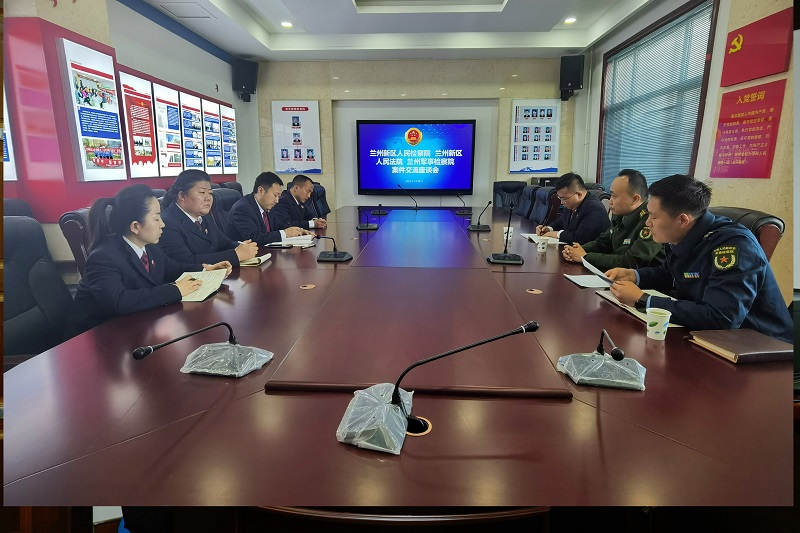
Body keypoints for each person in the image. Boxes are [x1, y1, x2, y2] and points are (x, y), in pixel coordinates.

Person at [606, 174, 792, 343]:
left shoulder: (734, 247)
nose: (647, 223)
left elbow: (721, 317)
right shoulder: (682, 234)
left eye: (653, 217)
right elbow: (671, 274)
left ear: (682, 220)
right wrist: (634, 275)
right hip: (710, 337)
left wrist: (643, 300)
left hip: (762, 347)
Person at [64, 184, 231, 339]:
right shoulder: (103, 257)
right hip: (95, 338)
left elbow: (173, 268)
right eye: (156, 219)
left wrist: (205, 269)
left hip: (133, 327)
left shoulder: (150, 247)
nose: (163, 224)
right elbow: (119, 302)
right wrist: (175, 290)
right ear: (135, 226)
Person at [562, 169, 665, 270]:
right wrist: (575, 250)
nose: (610, 201)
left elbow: (631, 261)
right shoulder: (621, 214)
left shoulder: (650, 221)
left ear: (635, 199)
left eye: (614, 196)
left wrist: (585, 257)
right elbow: (603, 242)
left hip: (642, 279)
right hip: (616, 273)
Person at [159, 169, 258, 265]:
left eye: (210, 193)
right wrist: (235, 255)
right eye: (202, 192)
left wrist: (242, 246)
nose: (208, 198)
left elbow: (223, 243)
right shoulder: (167, 223)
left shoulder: (204, 216)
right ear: (182, 196)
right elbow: (186, 262)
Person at [226, 171, 311, 245]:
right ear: (261, 191)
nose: (277, 201)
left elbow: (278, 225)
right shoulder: (242, 209)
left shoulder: (267, 207)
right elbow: (253, 237)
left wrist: (297, 231)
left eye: (279, 196)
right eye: (275, 195)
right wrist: (284, 233)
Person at [536, 172, 610, 244]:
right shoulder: (571, 204)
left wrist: (558, 234)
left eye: (564, 198)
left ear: (579, 195)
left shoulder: (594, 208)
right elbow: (560, 222)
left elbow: (580, 238)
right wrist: (549, 229)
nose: (562, 202)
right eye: (560, 198)